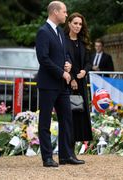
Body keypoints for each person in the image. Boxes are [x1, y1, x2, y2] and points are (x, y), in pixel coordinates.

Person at [35, 1, 83, 167]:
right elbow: (43, 58)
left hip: (62, 85)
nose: (65, 14)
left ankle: (66, 155)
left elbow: (65, 54)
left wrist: (68, 64)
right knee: (45, 121)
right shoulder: (43, 32)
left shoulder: (60, 33)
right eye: (64, 11)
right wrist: (61, 72)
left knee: (67, 119)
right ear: (55, 12)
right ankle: (47, 157)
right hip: (48, 84)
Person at [64, 12, 93, 154]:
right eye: (75, 23)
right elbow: (64, 61)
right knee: (69, 115)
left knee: (80, 113)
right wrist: (73, 78)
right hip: (68, 83)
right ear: (69, 23)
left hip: (81, 83)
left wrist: (84, 72)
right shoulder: (63, 40)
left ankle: (74, 148)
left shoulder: (83, 42)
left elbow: (89, 62)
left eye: (80, 24)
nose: (77, 26)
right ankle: (67, 149)